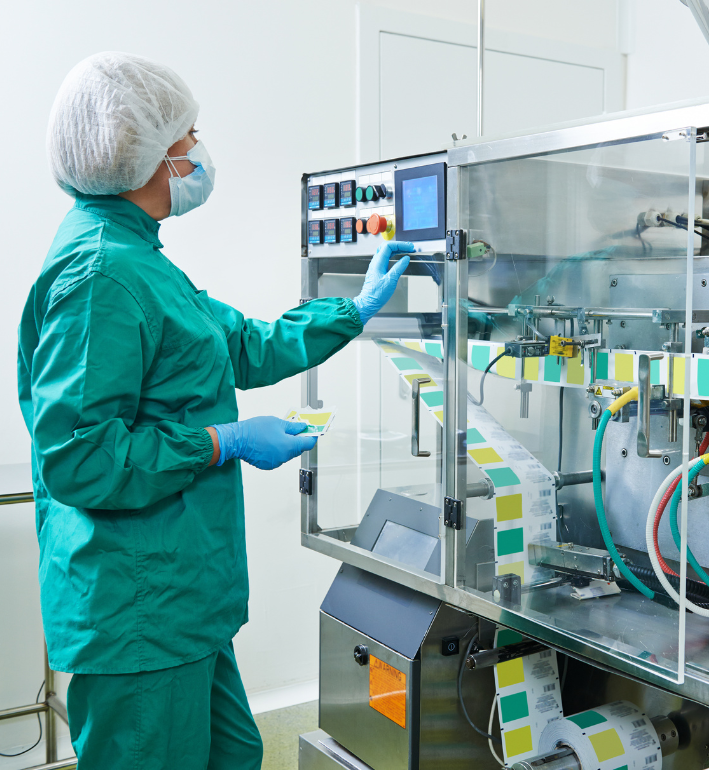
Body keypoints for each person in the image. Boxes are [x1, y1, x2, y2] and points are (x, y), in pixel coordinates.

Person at [17, 52, 414, 770]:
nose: (199, 151)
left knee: (235, 751)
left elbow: (241, 346)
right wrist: (221, 442)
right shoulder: (99, 273)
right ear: (142, 154)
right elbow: (80, 459)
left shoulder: (141, 259)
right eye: (188, 136)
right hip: (137, 610)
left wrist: (350, 311)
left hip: (185, 601)